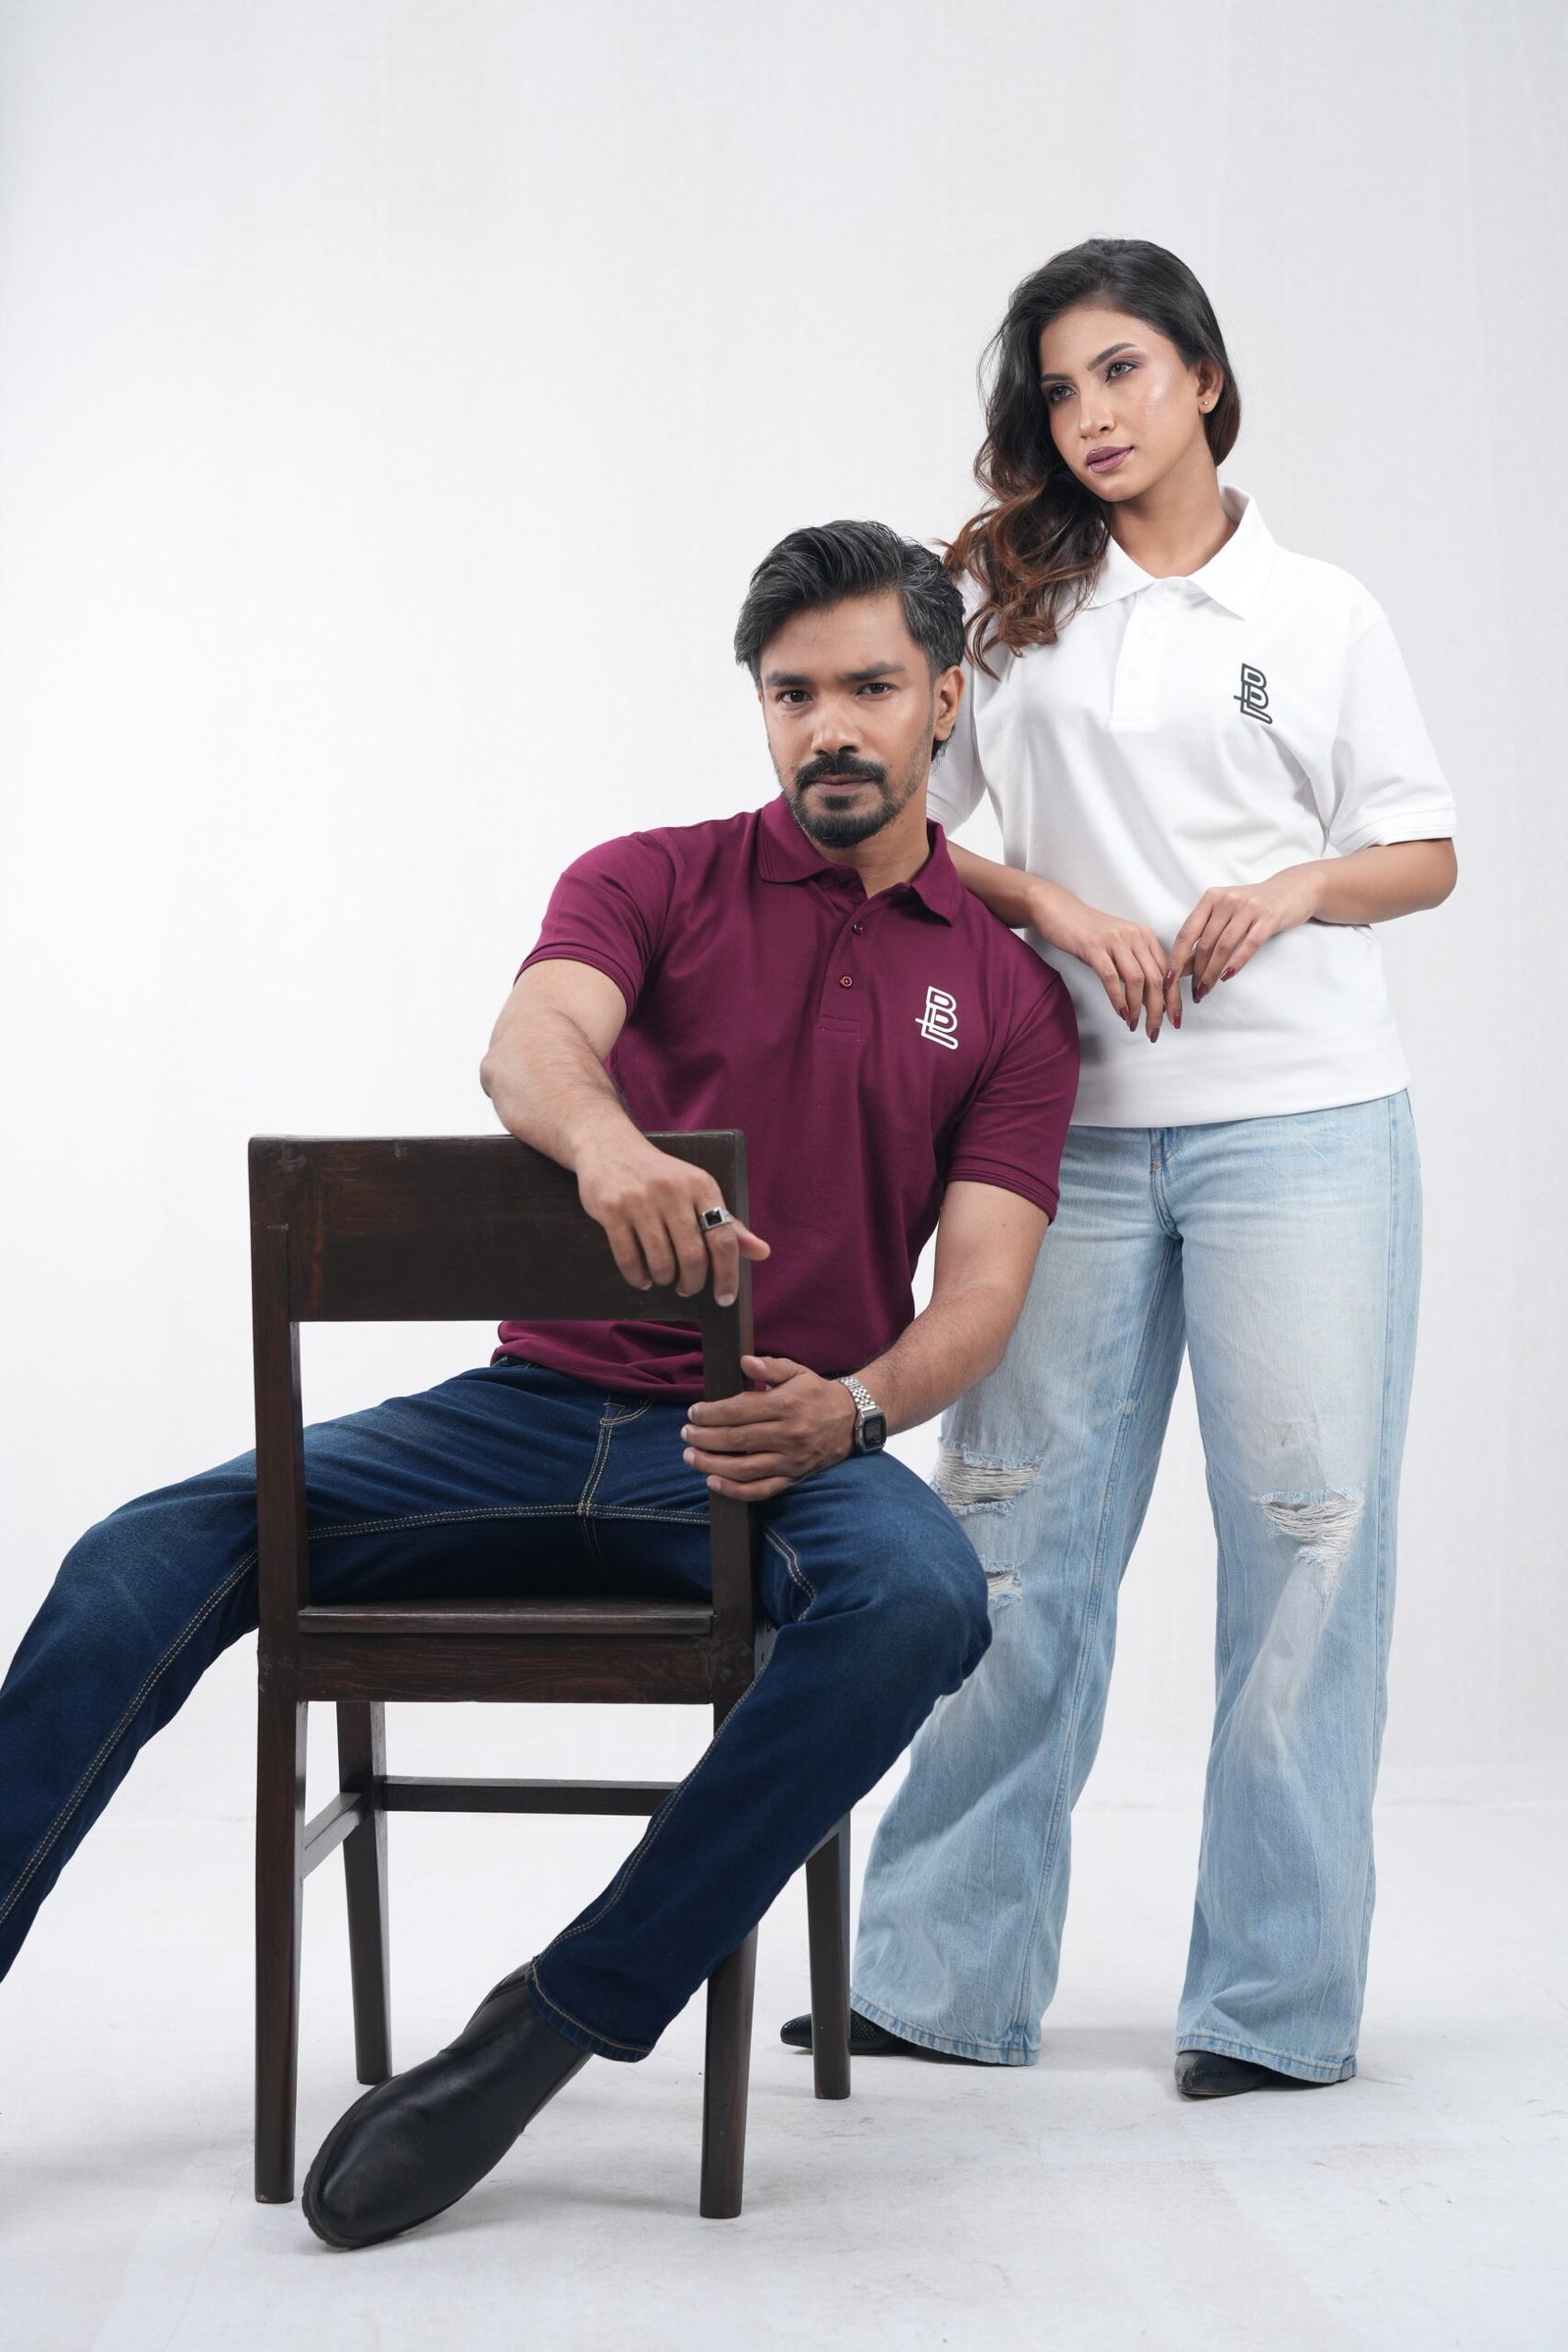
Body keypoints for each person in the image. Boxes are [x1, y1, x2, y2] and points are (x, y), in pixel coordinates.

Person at [0, 520, 1078, 2245]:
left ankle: (548, 2027)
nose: (828, 728)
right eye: (791, 693)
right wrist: (607, 1146)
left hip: (760, 1436)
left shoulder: (1009, 997)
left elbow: (987, 1293)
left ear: (945, 699)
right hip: (521, 1414)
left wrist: (859, 1409)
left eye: (871, 687)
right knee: (140, 1554)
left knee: (925, 1599)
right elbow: (532, 1041)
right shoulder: (651, 876)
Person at [783, 239, 1456, 2096]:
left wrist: (1294, 887)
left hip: (1304, 1122)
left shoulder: (1318, 609)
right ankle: (938, 1976)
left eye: (1124, 372)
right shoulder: (1008, 603)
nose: (1090, 415)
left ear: (1206, 379)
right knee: (1009, 1535)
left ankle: (1273, 2005)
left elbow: (1423, 848)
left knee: (1308, 1545)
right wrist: (1060, 909)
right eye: (1060, 388)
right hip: (1062, 1126)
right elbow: (915, 833)